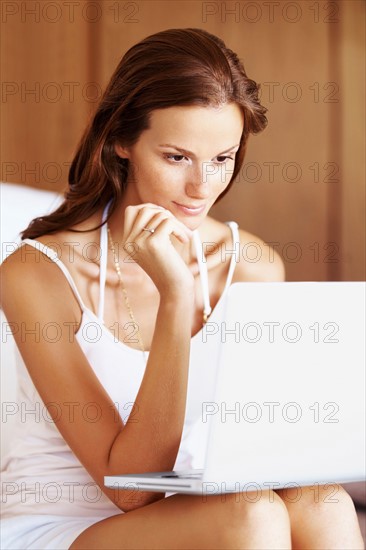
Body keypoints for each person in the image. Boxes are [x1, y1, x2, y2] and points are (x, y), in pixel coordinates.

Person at [0, 28, 363, 550]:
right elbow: (128, 490)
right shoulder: (38, 273)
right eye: (177, 157)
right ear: (121, 142)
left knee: (322, 501)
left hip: (200, 516)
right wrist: (177, 296)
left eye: (222, 158)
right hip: (65, 526)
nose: (202, 187)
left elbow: (266, 454)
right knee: (249, 517)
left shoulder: (251, 267)